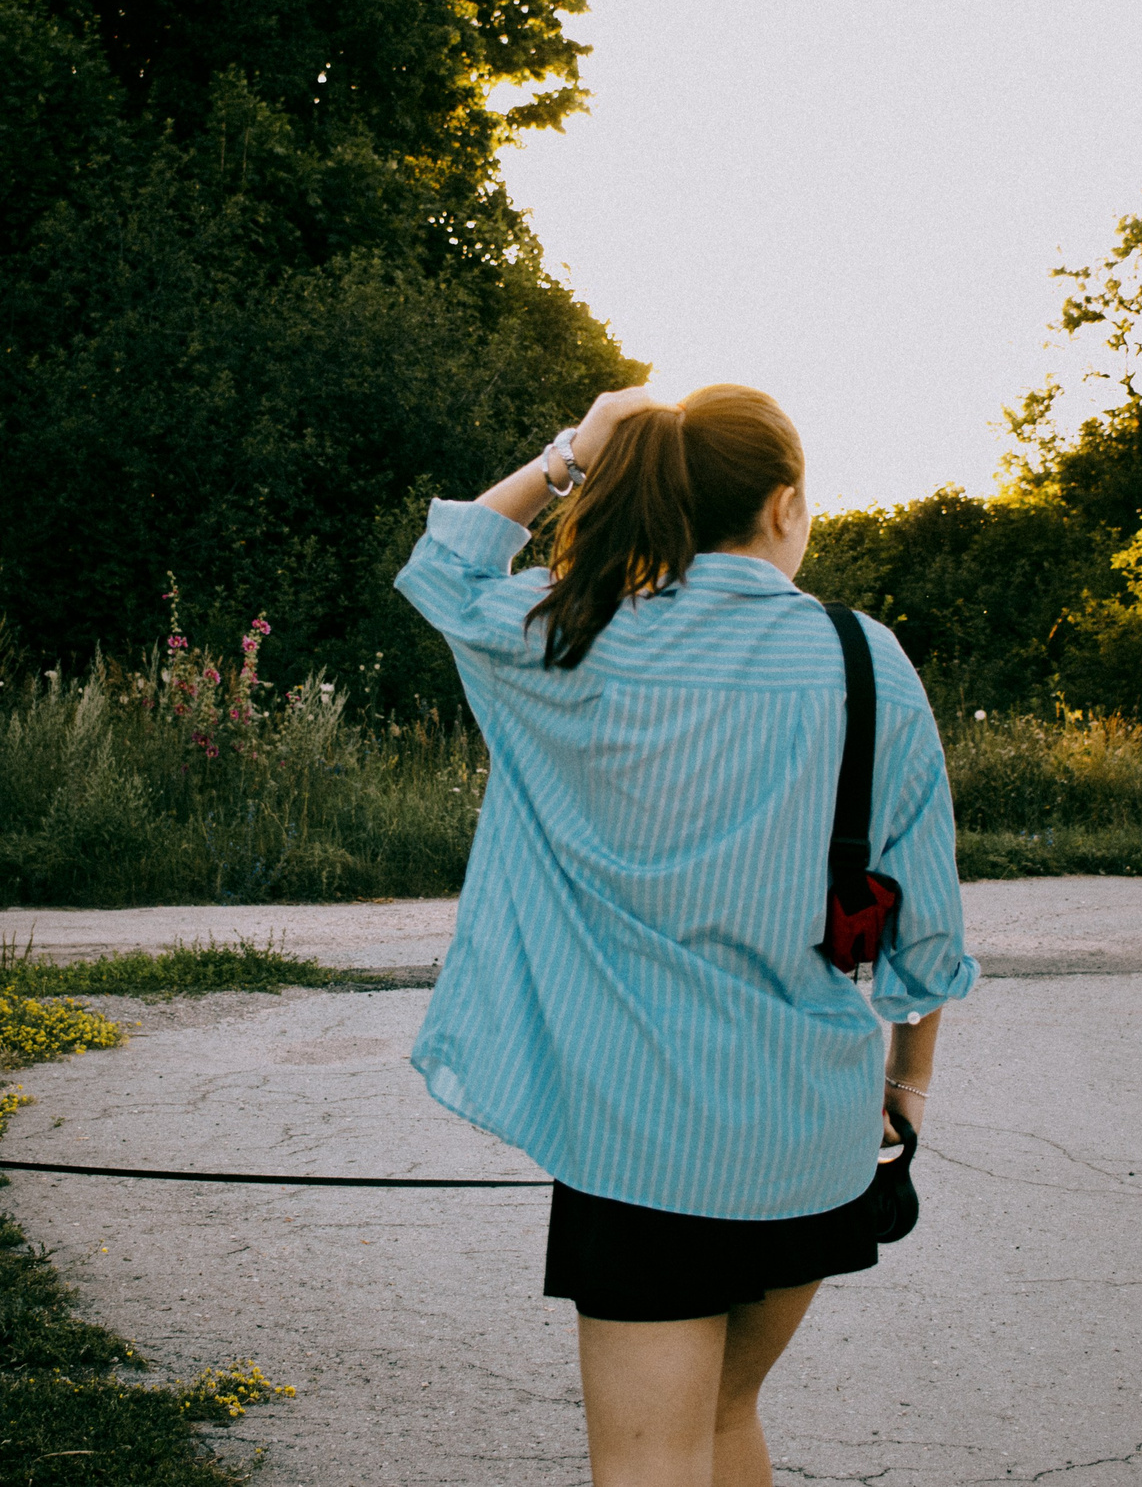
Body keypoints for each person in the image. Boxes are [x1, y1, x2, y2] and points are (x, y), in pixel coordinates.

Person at [395, 382, 977, 1487]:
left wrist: (573, 448)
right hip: (811, 1132)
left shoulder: (582, 634)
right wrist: (908, 1089)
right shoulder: (868, 660)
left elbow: (446, 567)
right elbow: (924, 924)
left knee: (651, 1459)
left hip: (637, 1137)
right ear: (787, 505)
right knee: (722, 1419)